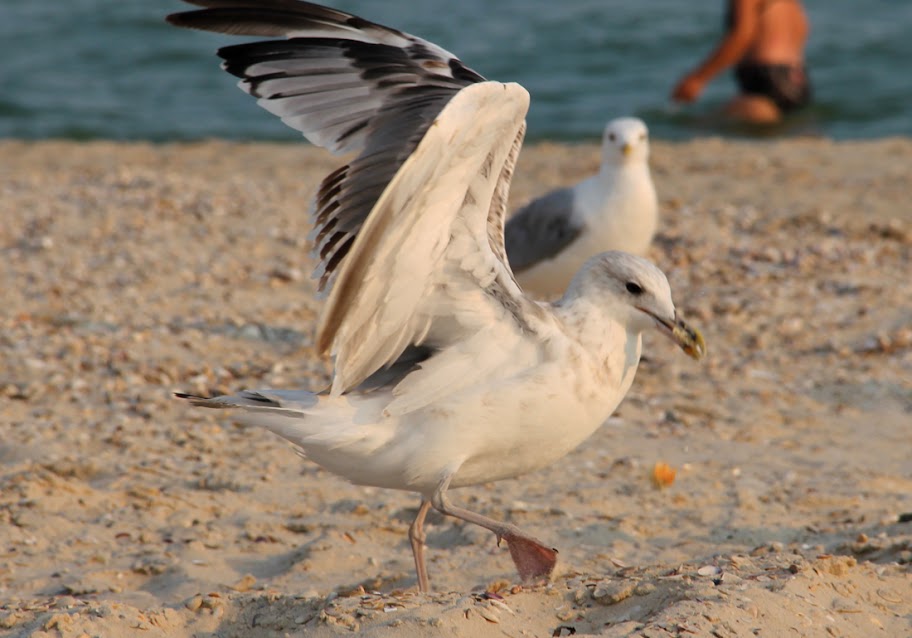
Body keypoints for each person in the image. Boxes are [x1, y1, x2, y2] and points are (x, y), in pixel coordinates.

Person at [671, 0, 811, 124]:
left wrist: (698, 79)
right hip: (798, 79)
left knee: (699, 125)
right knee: (788, 131)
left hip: (765, 78)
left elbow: (741, 36)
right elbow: (802, 28)